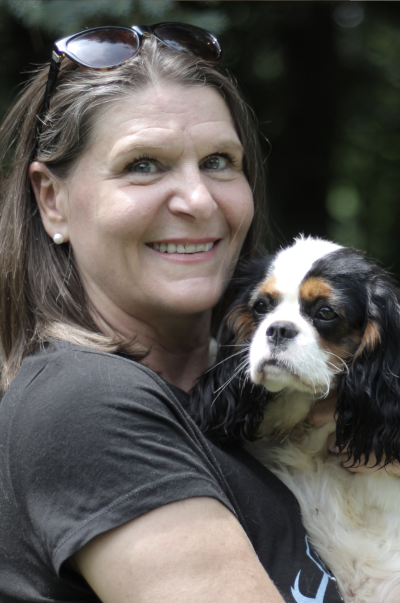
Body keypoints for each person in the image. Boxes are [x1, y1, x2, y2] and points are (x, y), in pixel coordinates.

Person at [0, 22, 360, 603]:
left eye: (219, 161)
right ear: (53, 201)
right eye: (143, 164)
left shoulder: (272, 405)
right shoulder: (84, 405)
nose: (197, 200)